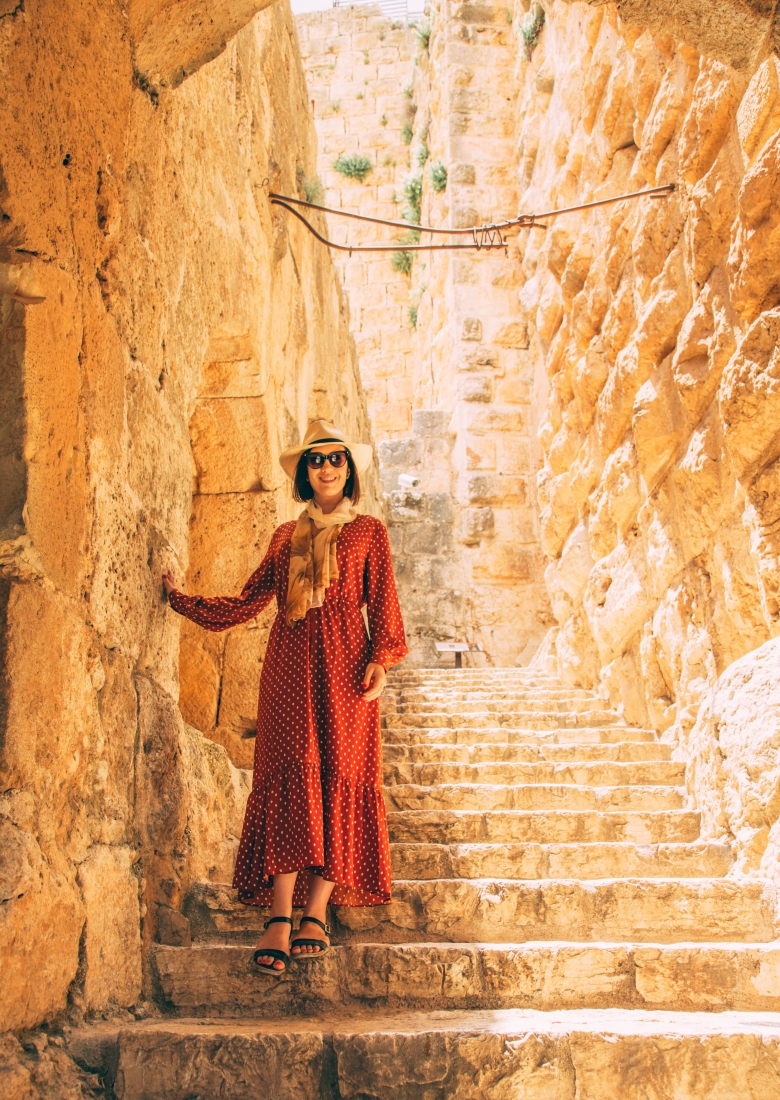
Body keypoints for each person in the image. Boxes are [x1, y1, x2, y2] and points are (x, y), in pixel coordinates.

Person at [162, 420, 407, 975]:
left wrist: (380, 662)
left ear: (349, 470)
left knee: (340, 772)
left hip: (346, 668)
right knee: (292, 773)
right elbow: (251, 601)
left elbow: (384, 606)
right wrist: (180, 599)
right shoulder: (282, 537)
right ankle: (278, 915)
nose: (326, 468)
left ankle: (316, 911)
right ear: (304, 473)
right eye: (316, 460)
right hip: (290, 669)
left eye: (336, 459)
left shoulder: (369, 532)